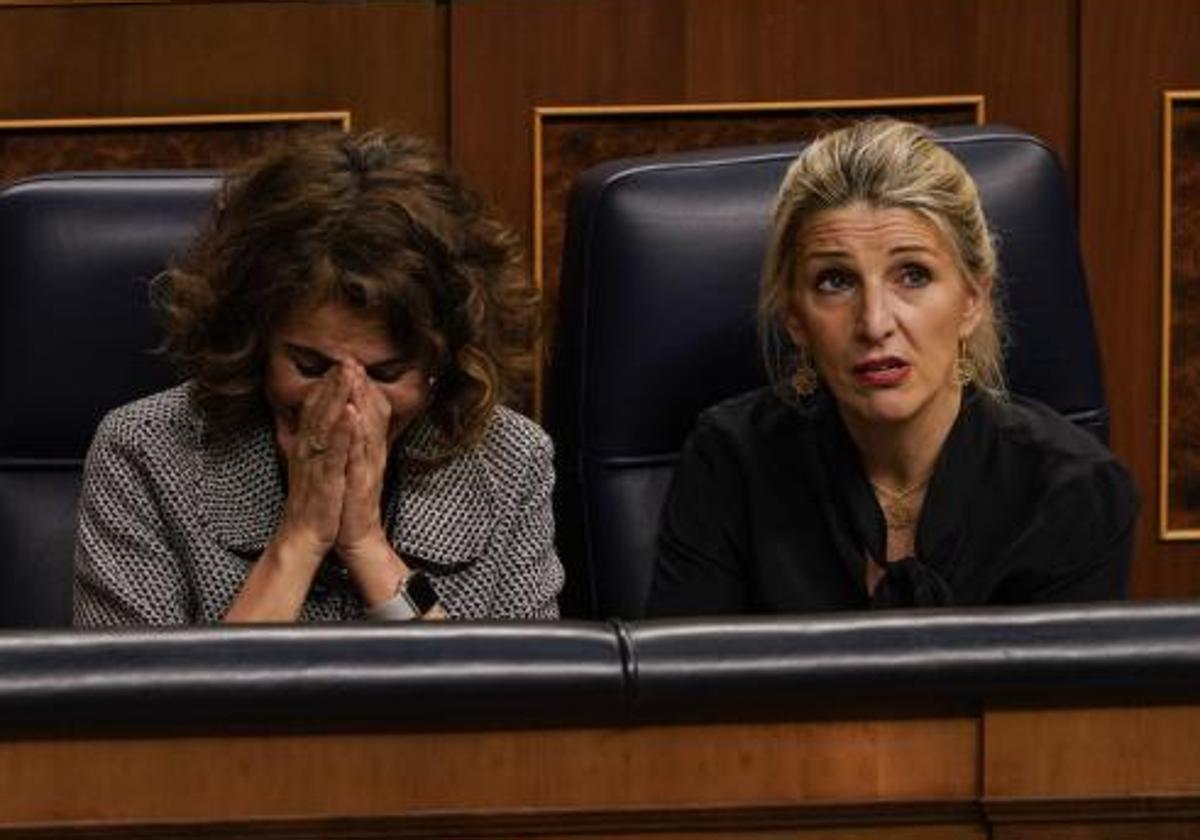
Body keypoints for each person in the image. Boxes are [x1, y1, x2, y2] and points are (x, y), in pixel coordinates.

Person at [647, 119, 1137, 615]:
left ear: (972, 299)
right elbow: (688, 687)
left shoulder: (1073, 493)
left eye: (913, 275)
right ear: (794, 318)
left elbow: (1055, 695)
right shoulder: (730, 461)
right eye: (835, 281)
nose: (875, 323)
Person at [74, 130, 563, 624]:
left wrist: (367, 546)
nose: (348, 400)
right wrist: (300, 538)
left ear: (442, 362)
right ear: (254, 341)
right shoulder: (143, 452)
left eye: (387, 372)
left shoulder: (510, 460)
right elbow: (143, 699)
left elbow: (510, 698)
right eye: (310, 366)